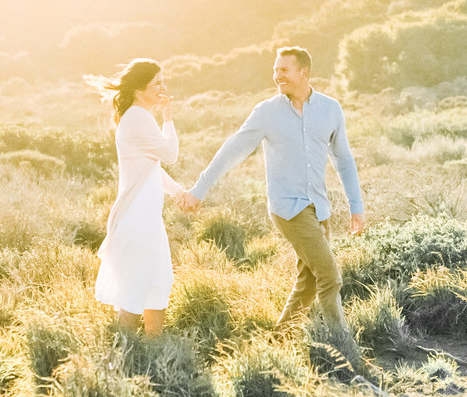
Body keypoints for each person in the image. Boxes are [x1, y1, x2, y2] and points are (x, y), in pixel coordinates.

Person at [179, 46, 365, 334]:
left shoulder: (331, 109)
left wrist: (356, 205)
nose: (277, 76)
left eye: (284, 70)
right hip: (288, 207)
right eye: (275, 69)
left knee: (309, 283)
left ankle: (278, 342)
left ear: (304, 73)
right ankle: (343, 348)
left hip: (319, 206)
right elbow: (233, 150)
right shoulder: (266, 112)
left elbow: (344, 159)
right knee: (330, 276)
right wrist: (200, 188)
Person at [89, 59, 182, 335]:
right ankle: (125, 357)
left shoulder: (136, 116)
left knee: (157, 282)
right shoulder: (138, 118)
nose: (163, 88)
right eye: (157, 83)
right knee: (135, 289)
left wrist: (179, 193)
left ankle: (153, 350)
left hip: (145, 219)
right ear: (140, 89)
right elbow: (170, 155)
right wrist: (168, 115)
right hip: (137, 218)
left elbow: (151, 168)